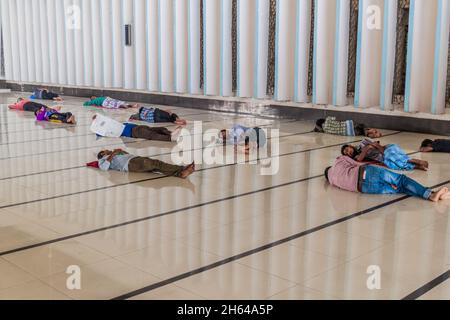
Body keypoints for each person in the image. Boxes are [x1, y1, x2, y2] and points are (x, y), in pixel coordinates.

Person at [324, 156, 450, 202]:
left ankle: (432, 194)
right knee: (401, 180)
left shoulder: (333, 182)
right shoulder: (338, 161)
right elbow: (357, 163)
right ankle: (431, 195)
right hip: (367, 172)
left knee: (400, 188)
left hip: (365, 188)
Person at [96, 149, 195, 179]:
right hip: (131, 164)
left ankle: (181, 174)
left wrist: (122, 151)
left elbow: (128, 154)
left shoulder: (114, 155)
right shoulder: (102, 160)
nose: (108, 150)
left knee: (157, 167)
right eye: (105, 151)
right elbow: (104, 168)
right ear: (102, 154)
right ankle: (182, 168)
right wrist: (112, 154)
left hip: (134, 159)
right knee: (157, 164)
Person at [341, 139, 429, 171]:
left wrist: (371, 146)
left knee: (390, 156)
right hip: (384, 157)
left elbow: (379, 147)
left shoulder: (363, 142)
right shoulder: (357, 156)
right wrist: (367, 148)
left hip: (388, 149)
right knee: (392, 164)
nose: (349, 152)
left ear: (350, 146)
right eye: (347, 153)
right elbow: (359, 159)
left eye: (347, 150)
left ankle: (412, 161)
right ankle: (415, 166)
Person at [91, 114, 183, 142]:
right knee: (151, 135)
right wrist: (96, 122)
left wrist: (98, 118)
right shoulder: (105, 130)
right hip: (134, 132)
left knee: (158, 129)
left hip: (137, 127)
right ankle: (170, 138)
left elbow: (108, 119)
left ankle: (170, 133)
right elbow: (100, 133)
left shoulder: (117, 124)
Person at [314, 116, 382, 138]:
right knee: (362, 126)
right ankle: (372, 131)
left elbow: (319, 130)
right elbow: (335, 118)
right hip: (348, 125)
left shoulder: (325, 131)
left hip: (350, 133)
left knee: (361, 132)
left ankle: (372, 134)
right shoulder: (327, 119)